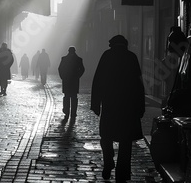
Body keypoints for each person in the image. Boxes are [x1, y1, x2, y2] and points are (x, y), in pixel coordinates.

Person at [90, 35, 145, 182]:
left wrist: (95, 103)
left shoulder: (107, 56)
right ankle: (122, 173)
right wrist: (141, 106)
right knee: (126, 141)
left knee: (106, 136)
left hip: (110, 105)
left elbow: (98, 80)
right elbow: (139, 84)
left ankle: (108, 161)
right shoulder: (131, 57)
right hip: (128, 106)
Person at [58, 46, 85, 121]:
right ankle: (73, 113)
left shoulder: (64, 59)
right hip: (74, 81)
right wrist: (78, 76)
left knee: (67, 96)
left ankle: (66, 111)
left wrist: (62, 76)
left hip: (66, 80)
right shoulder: (79, 59)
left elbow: (60, 68)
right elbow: (82, 69)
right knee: (74, 97)